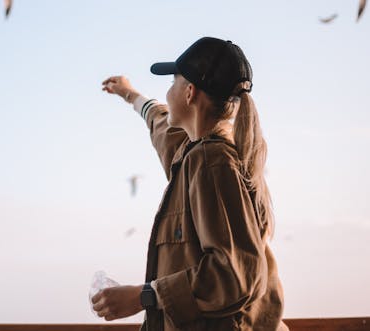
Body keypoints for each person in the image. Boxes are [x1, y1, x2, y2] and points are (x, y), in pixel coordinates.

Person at [92, 37, 288, 331]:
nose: (167, 92)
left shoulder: (211, 162)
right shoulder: (195, 153)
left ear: (189, 92)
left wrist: (143, 296)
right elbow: (162, 127)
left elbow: (234, 276)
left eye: (172, 83)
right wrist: (129, 93)